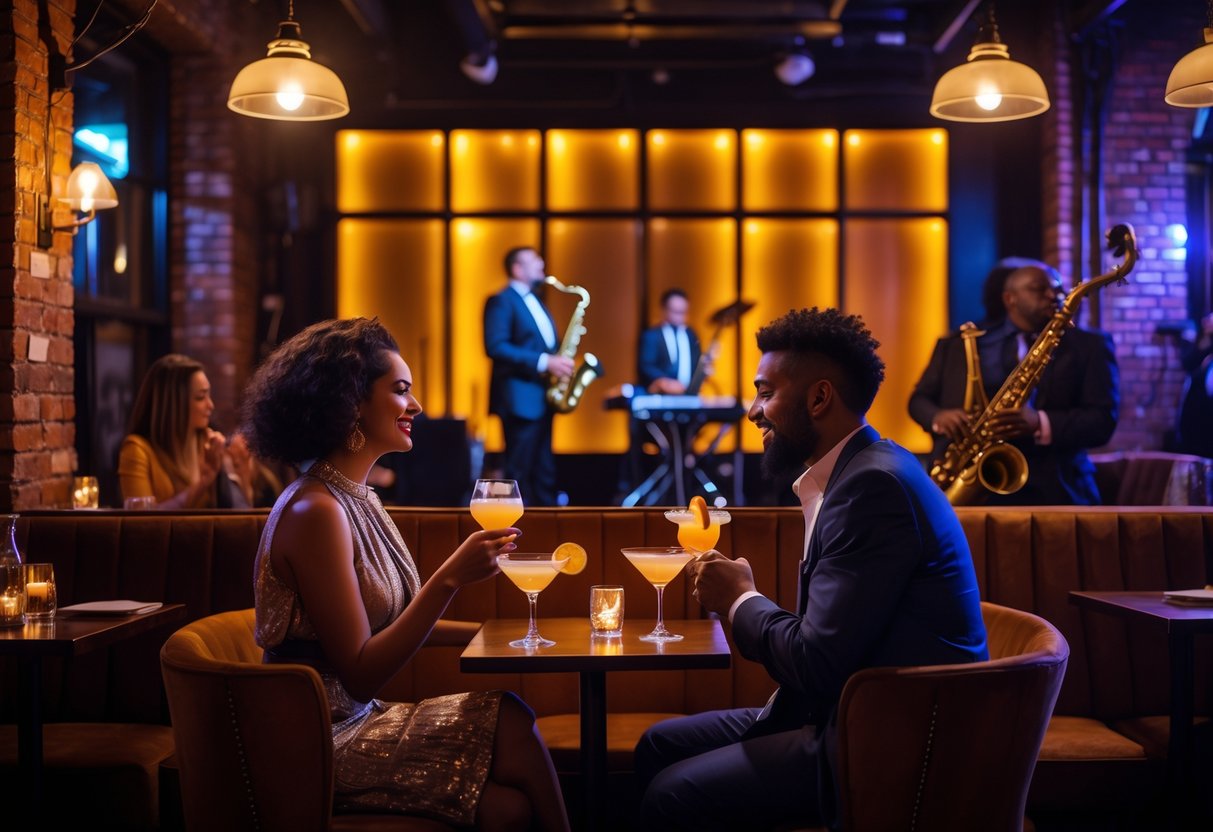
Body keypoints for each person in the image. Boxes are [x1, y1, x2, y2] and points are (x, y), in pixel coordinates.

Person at [634, 307, 987, 831]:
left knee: (671, 795)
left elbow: (816, 662)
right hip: (852, 712)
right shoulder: (859, 471)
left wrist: (740, 599)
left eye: (765, 393)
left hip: (888, 742)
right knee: (658, 745)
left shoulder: (871, 488)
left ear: (820, 398)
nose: (753, 412)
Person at [241, 318, 569, 831]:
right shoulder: (315, 511)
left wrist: (494, 634)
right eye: (400, 390)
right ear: (350, 403)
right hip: (316, 738)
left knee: (510, 804)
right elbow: (361, 672)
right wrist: (449, 579)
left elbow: (388, 625)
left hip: (358, 716)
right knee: (509, 718)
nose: (415, 405)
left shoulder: (357, 497)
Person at [908, 260, 1119, 505]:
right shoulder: (960, 343)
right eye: (1039, 289)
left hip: (1059, 490)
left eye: (1058, 288)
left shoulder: (1092, 346)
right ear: (1010, 299)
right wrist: (938, 417)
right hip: (973, 487)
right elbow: (918, 400)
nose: (1053, 295)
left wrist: (1040, 422)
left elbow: (1103, 420)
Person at [483, 246, 573, 506]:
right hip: (519, 399)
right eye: (534, 260)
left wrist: (560, 362)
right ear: (517, 269)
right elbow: (496, 346)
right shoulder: (502, 300)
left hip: (543, 397)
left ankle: (547, 525)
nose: (541, 264)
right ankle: (517, 527)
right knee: (519, 471)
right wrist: (545, 361)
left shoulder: (536, 300)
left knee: (544, 472)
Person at [118, 354, 245, 509]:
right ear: (173, 405)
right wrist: (203, 483)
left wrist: (238, 472)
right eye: (200, 397)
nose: (210, 405)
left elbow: (240, 510)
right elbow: (142, 519)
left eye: (209, 396)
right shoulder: (137, 450)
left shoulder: (208, 443)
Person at [637, 288, 703, 394]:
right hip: (660, 394)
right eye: (675, 311)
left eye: (683, 312)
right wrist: (666, 382)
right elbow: (646, 365)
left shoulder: (691, 335)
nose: (679, 317)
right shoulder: (652, 336)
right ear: (664, 310)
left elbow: (696, 362)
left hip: (689, 393)